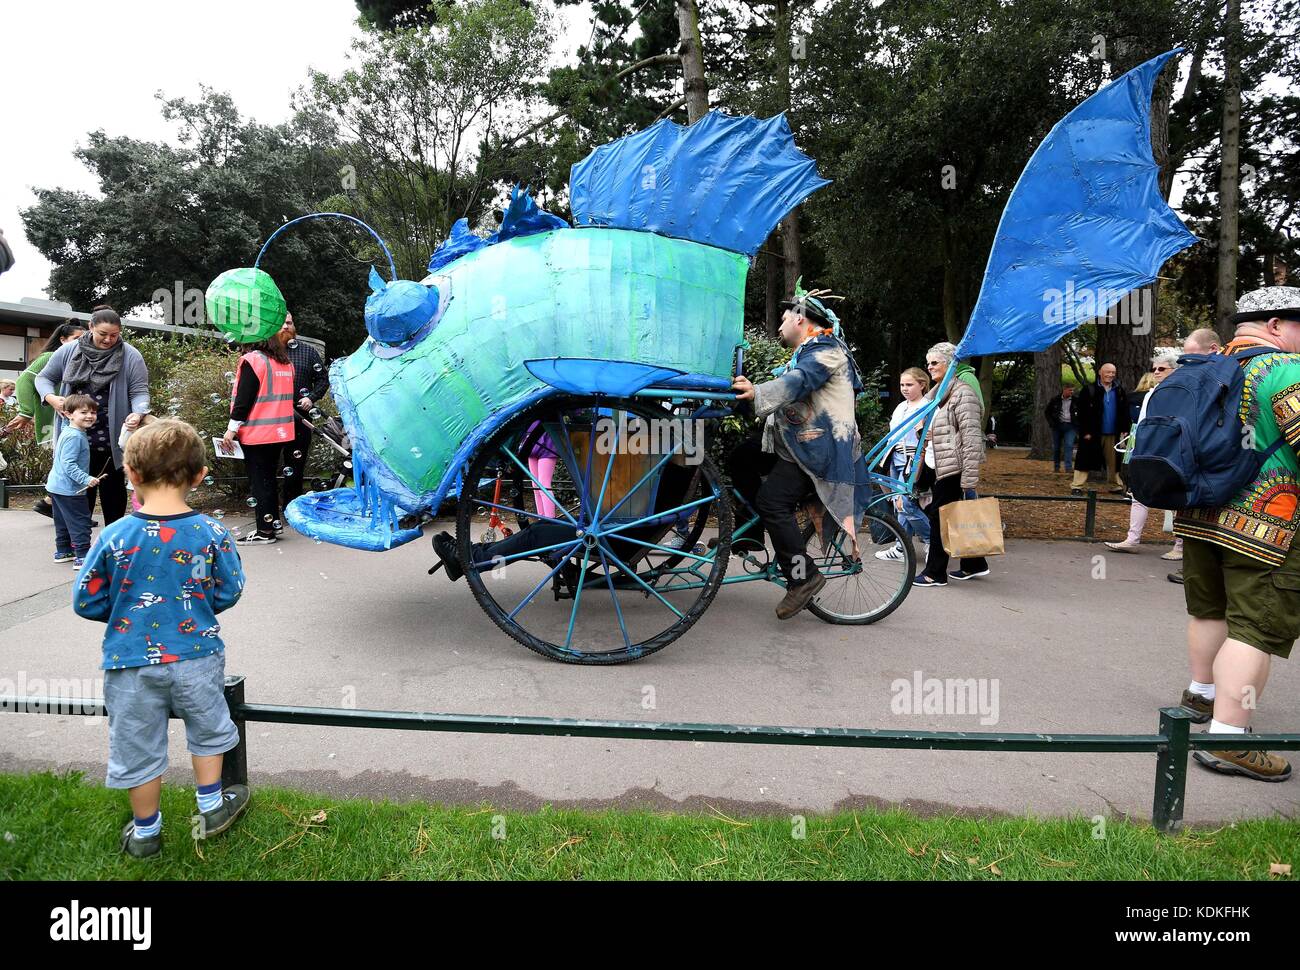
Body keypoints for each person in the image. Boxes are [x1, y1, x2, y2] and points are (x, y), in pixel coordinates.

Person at [73, 419, 250, 857]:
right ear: (199, 476)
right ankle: (210, 807)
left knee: (137, 740)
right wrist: (197, 605)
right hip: (197, 655)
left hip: (130, 660)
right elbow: (230, 589)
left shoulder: (115, 534)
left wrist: (125, 614)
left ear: (131, 475)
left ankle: (146, 832)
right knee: (209, 729)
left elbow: (86, 598)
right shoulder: (211, 532)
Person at [1172, 285, 1300, 782]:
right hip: (1267, 527)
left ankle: (1201, 696)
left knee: (1209, 609)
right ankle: (1228, 739)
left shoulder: (1202, 367)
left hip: (1199, 516)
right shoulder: (1284, 371)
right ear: (1274, 326)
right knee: (1255, 628)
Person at [728, 285, 866, 619]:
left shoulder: (827, 350)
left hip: (822, 450)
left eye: (784, 317)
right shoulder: (806, 351)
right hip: (798, 445)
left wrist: (758, 391)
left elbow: (799, 382)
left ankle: (803, 577)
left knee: (772, 501)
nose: (779, 324)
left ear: (801, 318)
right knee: (740, 458)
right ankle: (754, 537)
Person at [36, 308, 150, 526]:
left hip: (111, 437)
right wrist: (51, 398)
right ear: (90, 328)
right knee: (77, 495)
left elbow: (139, 391)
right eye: (103, 334)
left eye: (114, 335)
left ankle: (113, 543)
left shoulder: (130, 355)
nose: (109, 340)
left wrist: (138, 412)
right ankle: (78, 548)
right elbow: (43, 379)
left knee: (113, 493)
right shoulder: (69, 351)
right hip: (75, 437)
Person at [913, 342, 988, 588]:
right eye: (928, 363)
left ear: (950, 363)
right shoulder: (939, 393)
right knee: (951, 515)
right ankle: (974, 563)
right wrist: (925, 431)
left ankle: (935, 573)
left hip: (953, 466)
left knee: (940, 516)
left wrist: (969, 479)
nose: (929, 367)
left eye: (935, 362)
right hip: (939, 463)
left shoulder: (962, 393)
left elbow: (972, 437)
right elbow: (944, 429)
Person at [5, 322, 87, 520]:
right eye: (76, 339)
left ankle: (52, 505)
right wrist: (26, 411)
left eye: (84, 338)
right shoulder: (51, 357)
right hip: (55, 424)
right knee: (68, 464)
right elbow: (25, 379)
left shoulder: (79, 359)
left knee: (70, 464)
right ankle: (53, 505)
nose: (81, 343)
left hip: (68, 422)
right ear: (62, 340)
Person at [1105, 352, 1182, 559]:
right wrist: (1135, 446)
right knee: (1138, 494)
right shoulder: (1151, 393)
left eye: (1161, 368)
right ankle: (1132, 539)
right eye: (1155, 369)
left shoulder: (1180, 393)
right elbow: (1141, 423)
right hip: (1146, 447)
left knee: (1176, 497)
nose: (1156, 372)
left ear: (1175, 370)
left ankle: (1180, 546)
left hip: (1169, 449)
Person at [222, 336, 296, 544]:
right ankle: (273, 524)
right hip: (280, 432)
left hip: (258, 433)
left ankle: (264, 532)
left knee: (259, 483)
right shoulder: (285, 363)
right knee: (269, 479)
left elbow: (244, 399)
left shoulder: (253, 360)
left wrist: (231, 430)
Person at [1167, 329, 1222, 585]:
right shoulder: (1191, 375)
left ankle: (1202, 570)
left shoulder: (1223, 374)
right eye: (1184, 355)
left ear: (1213, 349)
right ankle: (1192, 569)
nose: (1187, 361)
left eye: (1193, 354)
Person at [876, 367, 931, 562]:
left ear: (922, 385)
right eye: (902, 385)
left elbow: (928, 438)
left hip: (915, 462)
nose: (905, 388)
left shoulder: (928, 406)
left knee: (905, 504)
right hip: (896, 460)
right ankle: (902, 548)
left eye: (909, 384)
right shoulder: (901, 407)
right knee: (900, 504)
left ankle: (931, 540)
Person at [278, 312, 329, 513]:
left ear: (294, 325)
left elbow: (323, 379)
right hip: (273, 417)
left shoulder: (307, 352)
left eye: (289, 323)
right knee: (271, 463)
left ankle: (292, 508)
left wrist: (311, 398)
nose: (285, 327)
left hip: (301, 417)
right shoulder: (269, 353)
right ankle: (272, 508)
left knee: (296, 464)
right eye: (281, 324)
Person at [45, 393, 102, 565]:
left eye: (93, 412)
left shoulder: (68, 429)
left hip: (57, 487)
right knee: (80, 522)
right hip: (71, 489)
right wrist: (86, 478)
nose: (89, 416)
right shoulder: (75, 436)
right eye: (83, 412)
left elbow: (65, 461)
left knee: (62, 521)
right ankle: (83, 556)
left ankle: (63, 551)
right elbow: (68, 464)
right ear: (69, 414)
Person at [1070, 362, 1131, 494]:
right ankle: (1077, 486)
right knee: (1084, 459)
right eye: (1108, 372)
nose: (1110, 375)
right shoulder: (1089, 390)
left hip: (1113, 433)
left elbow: (1125, 411)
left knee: (1114, 461)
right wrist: (1084, 431)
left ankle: (1116, 486)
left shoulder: (1119, 390)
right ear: (1100, 372)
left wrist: (1125, 429)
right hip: (1091, 433)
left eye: (1113, 373)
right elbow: (1081, 413)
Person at [1044, 383, 1076, 475]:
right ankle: (1056, 467)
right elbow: (1047, 412)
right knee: (1057, 448)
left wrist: (1077, 424)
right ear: (1064, 390)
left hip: (1070, 426)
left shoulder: (1076, 401)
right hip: (1057, 426)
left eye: (1073, 390)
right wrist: (1052, 423)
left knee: (1069, 446)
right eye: (1070, 390)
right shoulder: (1055, 400)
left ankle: (1068, 467)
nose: (1072, 392)